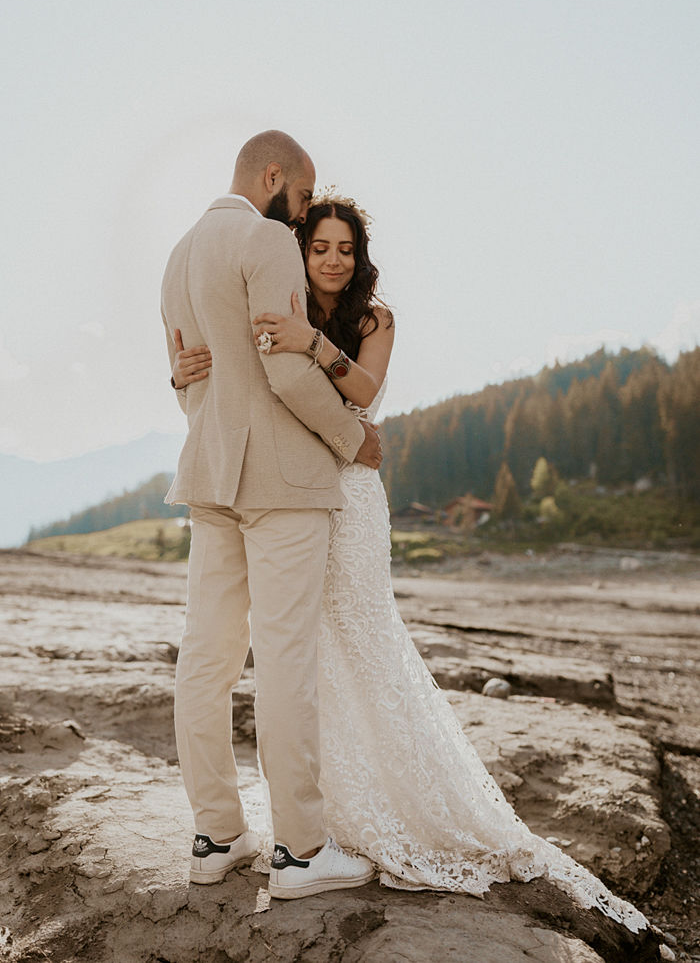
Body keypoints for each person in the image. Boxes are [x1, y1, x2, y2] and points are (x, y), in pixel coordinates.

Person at [172, 188, 659, 943]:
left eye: (344, 248)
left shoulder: (372, 319)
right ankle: (326, 817)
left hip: (350, 486)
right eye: (319, 246)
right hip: (289, 484)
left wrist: (312, 344)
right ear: (301, 251)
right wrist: (189, 371)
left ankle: (384, 809)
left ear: (359, 257)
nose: (332, 258)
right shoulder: (281, 295)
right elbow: (239, 372)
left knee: (361, 639)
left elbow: (365, 391)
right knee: (311, 653)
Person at [161, 131, 380, 900]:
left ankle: (216, 834)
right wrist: (352, 438)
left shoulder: (179, 254)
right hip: (282, 483)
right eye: (301, 191)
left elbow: (189, 378)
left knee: (208, 659)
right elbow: (286, 370)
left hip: (211, 475)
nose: (302, 213)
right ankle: (299, 851)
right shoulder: (265, 240)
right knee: (285, 660)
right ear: (274, 174)